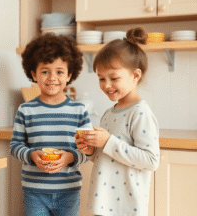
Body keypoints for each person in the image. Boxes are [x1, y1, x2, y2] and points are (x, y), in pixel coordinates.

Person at [75, 27, 160, 215]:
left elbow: (151, 161)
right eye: (101, 78)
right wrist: (91, 152)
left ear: (135, 75)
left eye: (114, 78)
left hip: (126, 208)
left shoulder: (140, 113)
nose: (106, 85)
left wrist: (107, 142)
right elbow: (107, 157)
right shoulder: (108, 113)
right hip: (103, 203)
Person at [10, 33, 93, 216]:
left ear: (69, 75)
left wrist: (69, 158)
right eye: (45, 71)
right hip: (34, 191)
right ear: (34, 74)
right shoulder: (25, 110)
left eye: (59, 71)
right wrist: (32, 155)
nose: (52, 77)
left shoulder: (79, 110)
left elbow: (88, 150)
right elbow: (15, 146)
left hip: (69, 190)